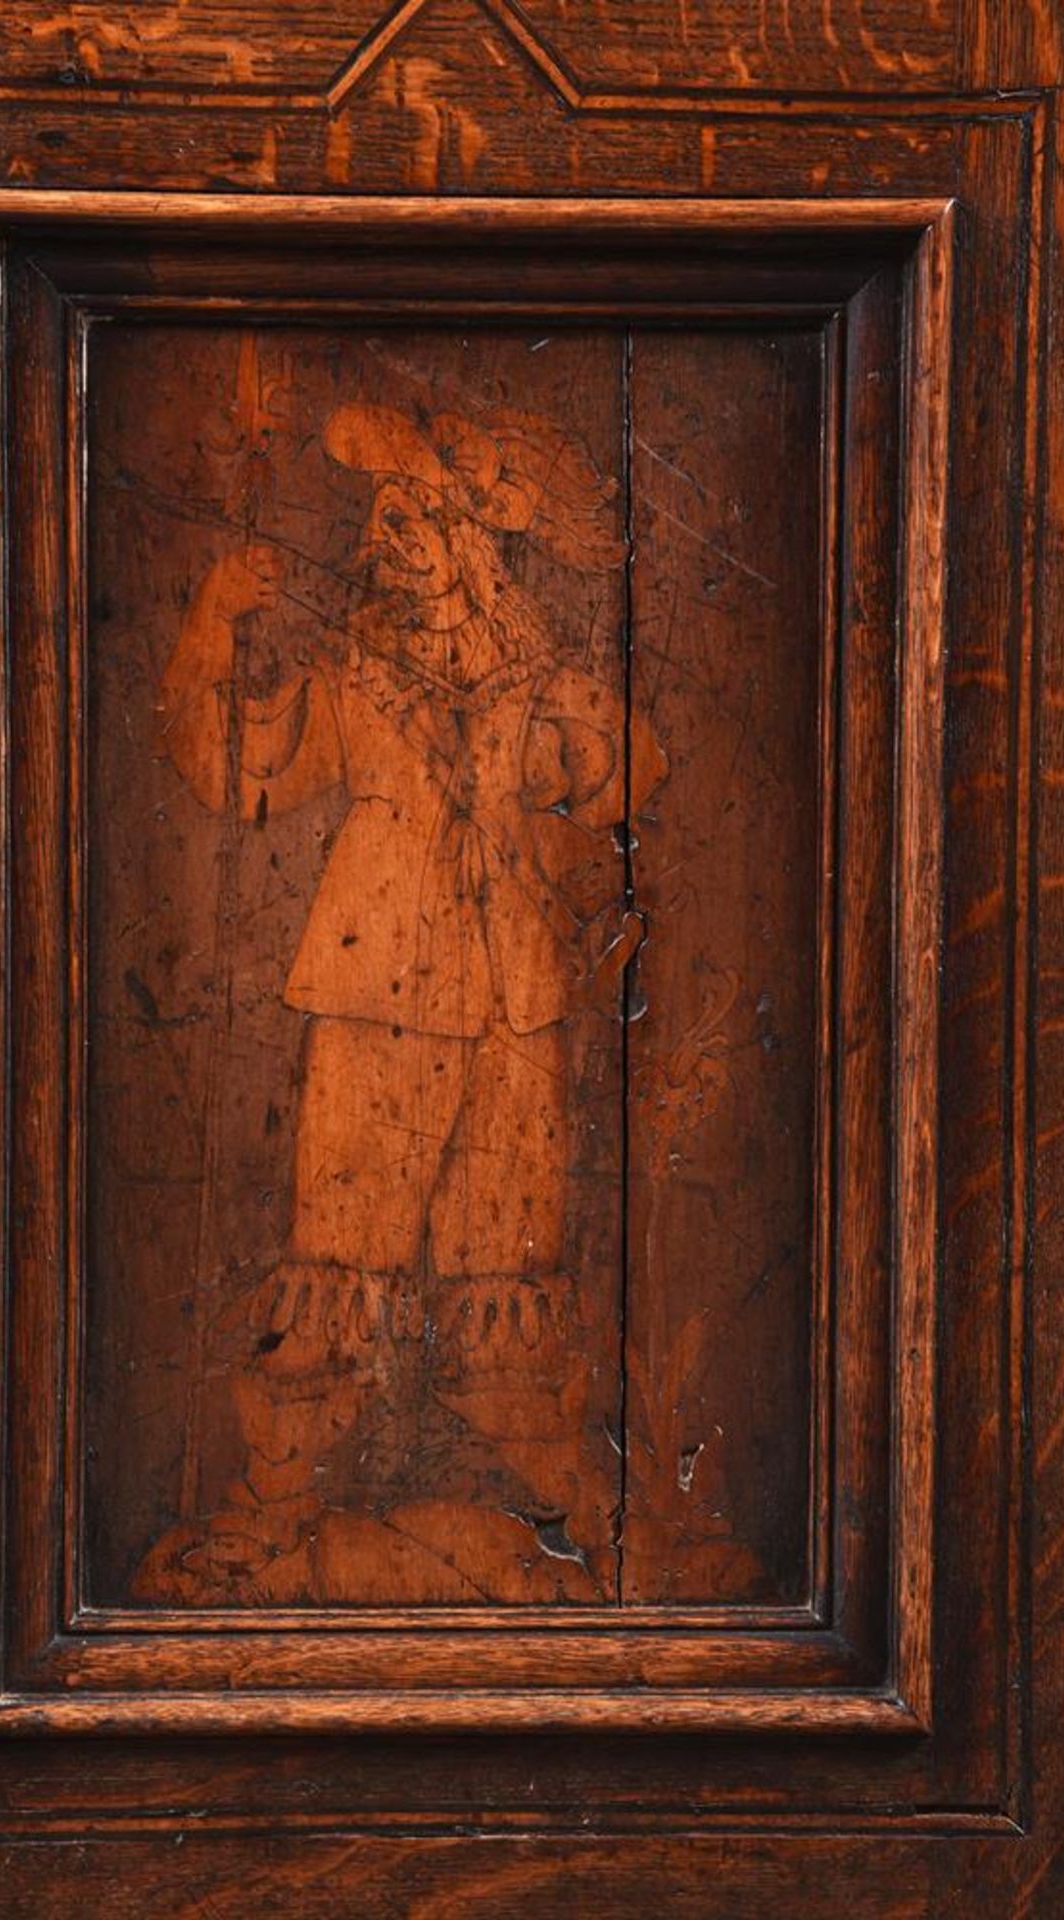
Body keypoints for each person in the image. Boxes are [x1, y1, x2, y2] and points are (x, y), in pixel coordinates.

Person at [136, 402, 666, 1605]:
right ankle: (273, 1510)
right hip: (372, 981)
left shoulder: (538, 677)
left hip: (512, 993)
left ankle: (571, 1508)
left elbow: (625, 782)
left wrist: (566, 749)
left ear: (477, 543)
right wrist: (218, 620)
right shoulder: (347, 674)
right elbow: (241, 771)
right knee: (337, 1259)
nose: (402, 535)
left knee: (507, 1261)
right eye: (388, 517)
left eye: (427, 515)